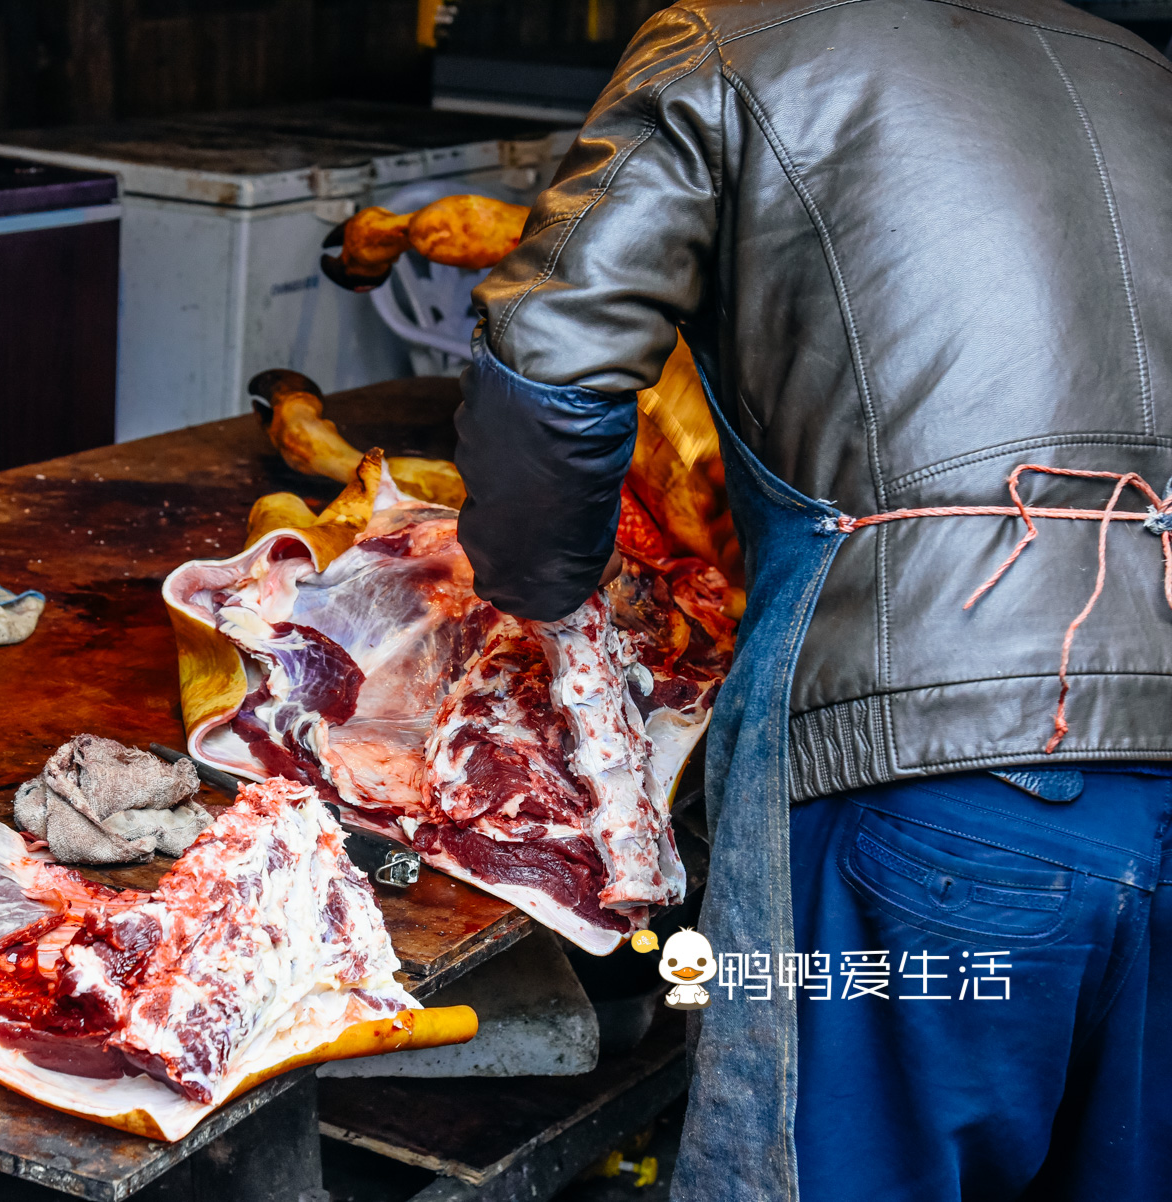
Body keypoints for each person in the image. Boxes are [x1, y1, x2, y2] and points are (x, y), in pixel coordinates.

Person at [453, 1, 1172, 1199]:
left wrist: (542, 601)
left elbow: (554, 367)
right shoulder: (1138, 65)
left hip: (935, 780)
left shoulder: (726, 37)